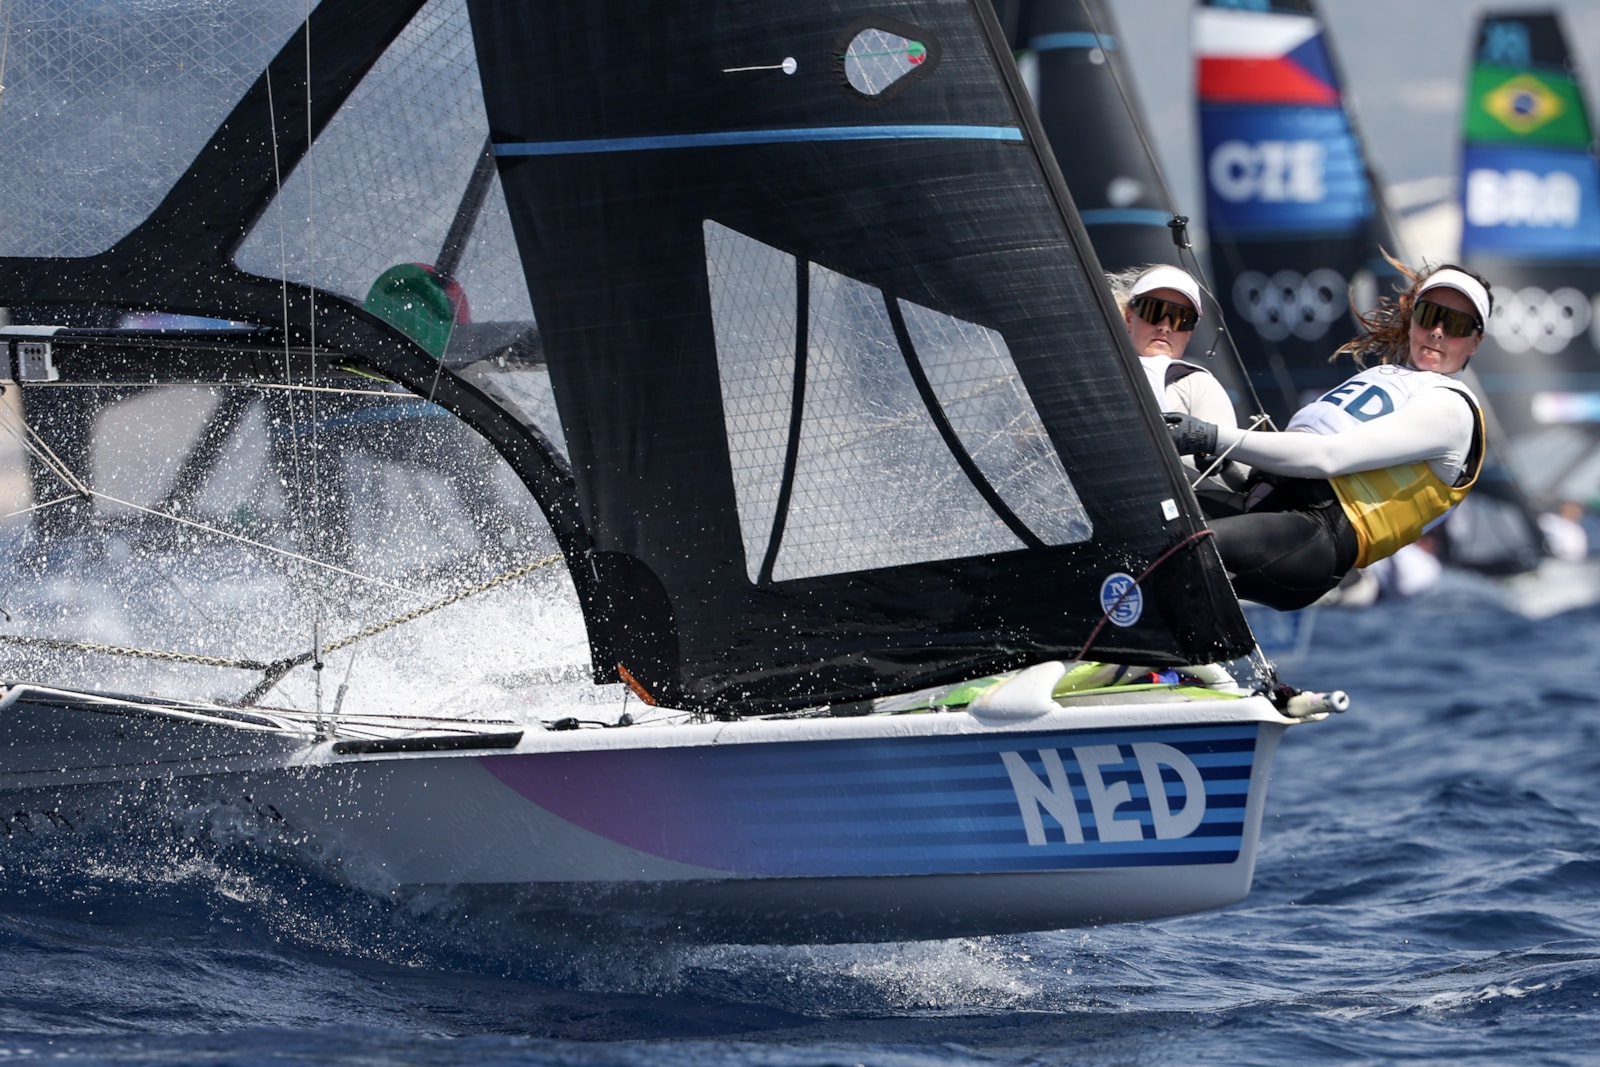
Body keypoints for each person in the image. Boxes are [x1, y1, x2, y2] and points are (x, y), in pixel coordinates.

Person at [1164, 259, 1492, 612]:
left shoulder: (1453, 409)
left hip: (1313, 537)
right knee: (1151, 514)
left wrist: (1210, 437)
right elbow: (1288, 463)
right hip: (1262, 504)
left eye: (1456, 325)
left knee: (1178, 545)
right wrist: (1228, 464)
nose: (1438, 331)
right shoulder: (1386, 377)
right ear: (1413, 318)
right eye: (1429, 315)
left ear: (1475, 342)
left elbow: (1326, 457)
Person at [1109, 264, 1246, 489]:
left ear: (1189, 333)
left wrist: (1219, 459)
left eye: (1181, 318)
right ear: (1129, 317)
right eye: (1153, 311)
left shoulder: (1198, 384)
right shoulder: (1095, 373)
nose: (1165, 327)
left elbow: (1231, 478)